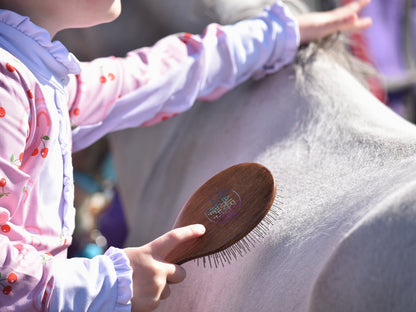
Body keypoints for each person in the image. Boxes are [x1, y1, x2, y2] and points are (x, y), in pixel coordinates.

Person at [0, 0, 371, 311]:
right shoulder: (8, 83)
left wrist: (275, 35)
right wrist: (110, 282)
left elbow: (157, 73)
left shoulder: (41, 74)